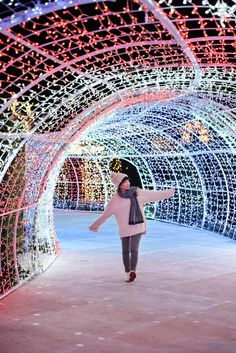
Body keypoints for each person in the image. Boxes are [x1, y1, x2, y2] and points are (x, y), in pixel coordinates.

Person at [89, 172, 175, 283]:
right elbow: (105, 214)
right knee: (125, 250)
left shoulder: (137, 192)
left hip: (137, 225)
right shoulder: (115, 199)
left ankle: (133, 271)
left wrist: (169, 192)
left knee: (134, 249)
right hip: (124, 227)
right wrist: (95, 225)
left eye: (128, 180)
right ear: (119, 184)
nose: (128, 183)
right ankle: (127, 272)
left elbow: (154, 194)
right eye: (125, 182)